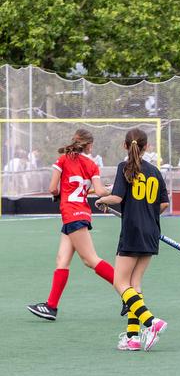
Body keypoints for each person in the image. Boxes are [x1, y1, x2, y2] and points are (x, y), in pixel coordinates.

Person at [26, 129, 117, 321]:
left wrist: (59, 193)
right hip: (77, 214)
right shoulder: (92, 165)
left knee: (90, 259)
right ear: (89, 145)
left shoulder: (62, 160)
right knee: (62, 260)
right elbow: (100, 191)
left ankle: (128, 292)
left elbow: (52, 188)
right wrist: (111, 190)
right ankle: (51, 307)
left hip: (72, 214)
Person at [95, 128, 169, 352]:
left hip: (132, 232)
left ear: (125, 146)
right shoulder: (155, 171)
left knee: (120, 283)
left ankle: (151, 322)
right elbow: (163, 204)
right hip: (151, 232)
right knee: (135, 285)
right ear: (146, 147)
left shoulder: (124, 167)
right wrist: (147, 213)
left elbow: (117, 197)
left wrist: (101, 201)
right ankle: (133, 338)